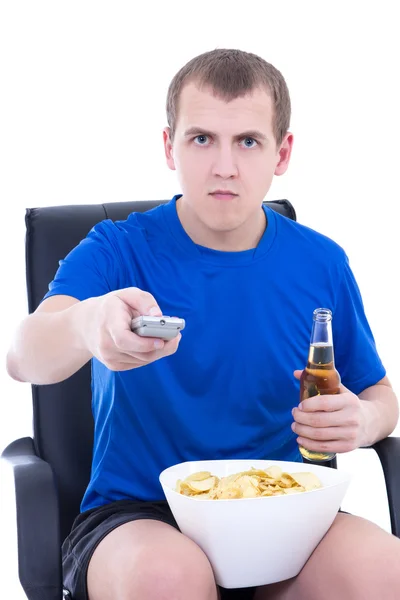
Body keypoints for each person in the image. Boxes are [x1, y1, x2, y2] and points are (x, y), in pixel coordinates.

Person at [6, 48, 400, 600]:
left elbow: (380, 394)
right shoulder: (116, 249)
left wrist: (362, 421)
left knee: (385, 571)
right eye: (201, 139)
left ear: (281, 152)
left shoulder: (322, 262)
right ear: (169, 146)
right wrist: (85, 323)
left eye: (247, 141)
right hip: (142, 516)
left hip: (285, 509)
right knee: (171, 578)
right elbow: (22, 355)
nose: (224, 167)